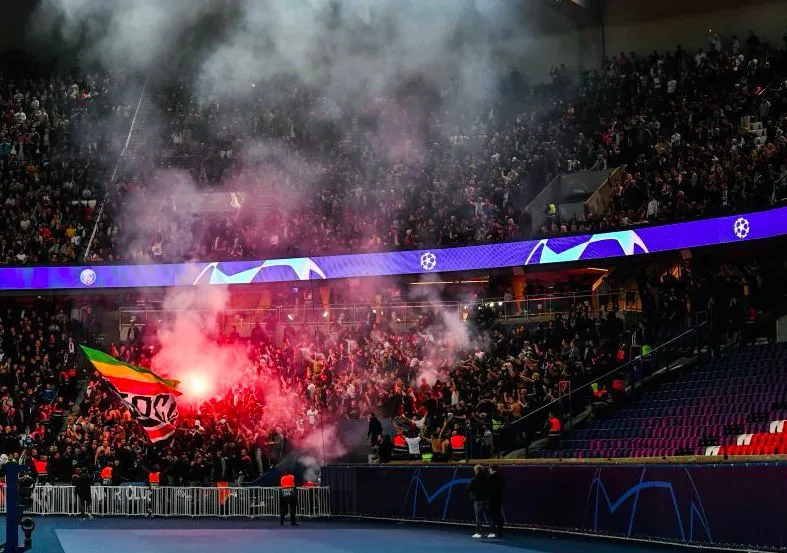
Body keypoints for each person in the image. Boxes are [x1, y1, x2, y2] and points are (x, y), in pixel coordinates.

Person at [466, 464, 490, 539]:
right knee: (489, 516)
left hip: (478, 500)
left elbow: (468, 489)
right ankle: (492, 532)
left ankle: (479, 532)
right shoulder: (487, 478)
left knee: (479, 517)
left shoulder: (474, 479)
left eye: (475, 470)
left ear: (476, 471)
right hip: (487, 499)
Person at [487, 466, 505, 538]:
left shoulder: (491, 478)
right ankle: (500, 532)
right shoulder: (501, 477)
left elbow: (489, 489)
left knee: (493, 516)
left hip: (492, 499)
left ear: (491, 469)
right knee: (498, 515)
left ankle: (493, 532)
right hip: (499, 499)